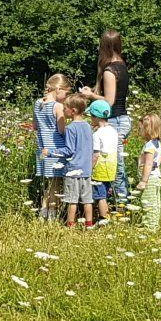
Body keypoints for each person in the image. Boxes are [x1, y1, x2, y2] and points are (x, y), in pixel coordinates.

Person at [93, 31, 132, 207]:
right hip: (122, 118)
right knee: (115, 164)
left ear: (104, 46)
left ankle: (122, 204)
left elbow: (109, 101)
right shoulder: (121, 65)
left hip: (115, 120)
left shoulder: (110, 71)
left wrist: (90, 96)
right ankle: (117, 200)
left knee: (115, 165)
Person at [33, 74, 69, 221]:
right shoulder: (58, 106)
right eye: (66, 93)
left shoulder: (38, 103)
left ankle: (43, 212)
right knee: (56, 183)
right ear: (58, 88)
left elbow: (35, 126)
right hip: (55, 149)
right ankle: (52, 214)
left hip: (42, 148)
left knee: (48, 183)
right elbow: (61, 130)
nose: (66, 97)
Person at [60, 93, 96, 228]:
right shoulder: (88, 126)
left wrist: (51, 152)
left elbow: (69, 150)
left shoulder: (70, 128)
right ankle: (89, 224)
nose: (63, 110)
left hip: (73, 170)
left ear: (73, 110)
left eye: (65, 108)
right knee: (87, 199)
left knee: (72, 200)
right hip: (86, 170)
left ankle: (70, 224)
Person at [136, 112, 161, 233]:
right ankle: (152, 224)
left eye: (141, 128)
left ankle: (149, 228)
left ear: (147, 130)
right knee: (155, 202)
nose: (140, 131)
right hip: (156, 177)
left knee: (148, 203)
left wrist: (144, 181)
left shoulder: (149, 146)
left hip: (150, 179)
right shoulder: (157, 143)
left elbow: (148, 164)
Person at [89, 98, 118, 225]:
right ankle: (106, 216)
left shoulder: (97, 134)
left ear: (96, 117)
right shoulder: (113, 130)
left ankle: (103, 219)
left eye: (91, 116)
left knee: (100, 196)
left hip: (100, 167)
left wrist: (89, 168)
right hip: (111, 166)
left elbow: (96, 155)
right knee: (106, 192)